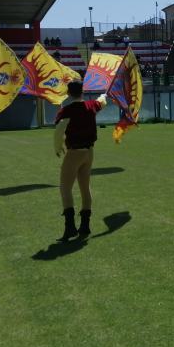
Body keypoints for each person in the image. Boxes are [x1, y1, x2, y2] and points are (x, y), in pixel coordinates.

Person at [53, 81, 108, 241]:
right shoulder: (91, 105)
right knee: (85, 188)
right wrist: (104, 95)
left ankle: (70, 227)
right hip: (89, 153)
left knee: (65, 188)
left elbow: (59, 129)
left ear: (69, 93)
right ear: (82, 91)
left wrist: (58, 147)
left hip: (74, 153)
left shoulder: (67, 110)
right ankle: (85, 225)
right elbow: (101, 102)